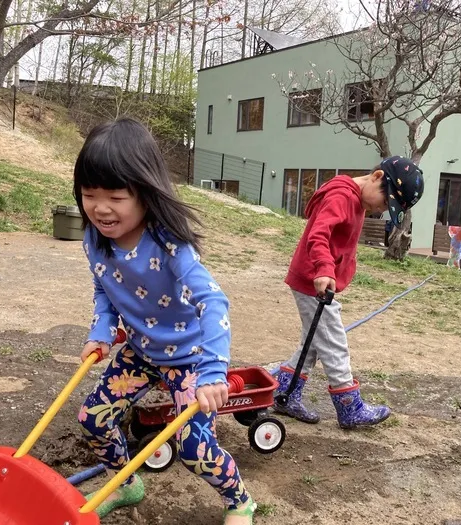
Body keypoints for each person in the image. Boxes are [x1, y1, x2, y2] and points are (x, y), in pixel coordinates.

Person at [74, 118, 255, 524]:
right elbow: (104, 289)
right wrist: (101, 333)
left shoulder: (170, 244)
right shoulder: (93, 239)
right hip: (139, 352)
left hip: (191, 359)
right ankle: (124, 483)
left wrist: (212, 373)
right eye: (89, 195)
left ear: (145, 191)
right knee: (93, 419)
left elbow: (214, 302)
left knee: (193, 448)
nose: (101, 208)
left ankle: (239, 500)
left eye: (116, 197)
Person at [273, 157, 424, 429]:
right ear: (377, 176)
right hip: (313, 280)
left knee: (315, 341)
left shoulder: (358, 198)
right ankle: (349, 407)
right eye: (384, 200)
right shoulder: (341, 196)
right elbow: (318, 234)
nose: (380, 209)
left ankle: (285, 392)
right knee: (333, 343)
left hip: (319, 280)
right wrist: (323, 268)